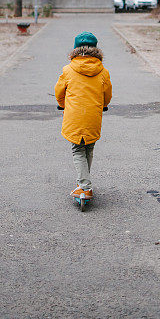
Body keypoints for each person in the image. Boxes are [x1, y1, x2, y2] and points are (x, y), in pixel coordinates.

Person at [55, 31, 112, 199]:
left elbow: (59, 91)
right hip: (93, 116)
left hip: (74, 116)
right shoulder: (103, 71)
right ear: (95, 50)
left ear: (75, 50)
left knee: (77, 149)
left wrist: (62, 104)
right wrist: (104, 105)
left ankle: (85, 187)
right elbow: (107, 94)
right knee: (89, 147)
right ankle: (84, 182)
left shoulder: (68, 70)